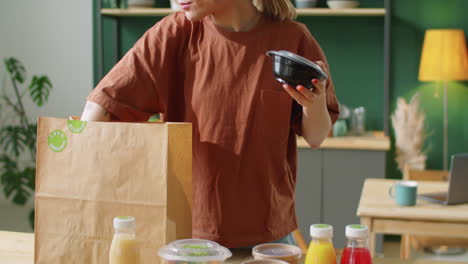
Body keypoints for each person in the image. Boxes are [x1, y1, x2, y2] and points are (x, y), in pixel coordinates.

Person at [81, 0, 339, 248]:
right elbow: (100, 108)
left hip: (269, 235)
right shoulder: (173, 34)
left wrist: (313, 103)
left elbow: (316, 137)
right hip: (188, 235)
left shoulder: (293, 38)